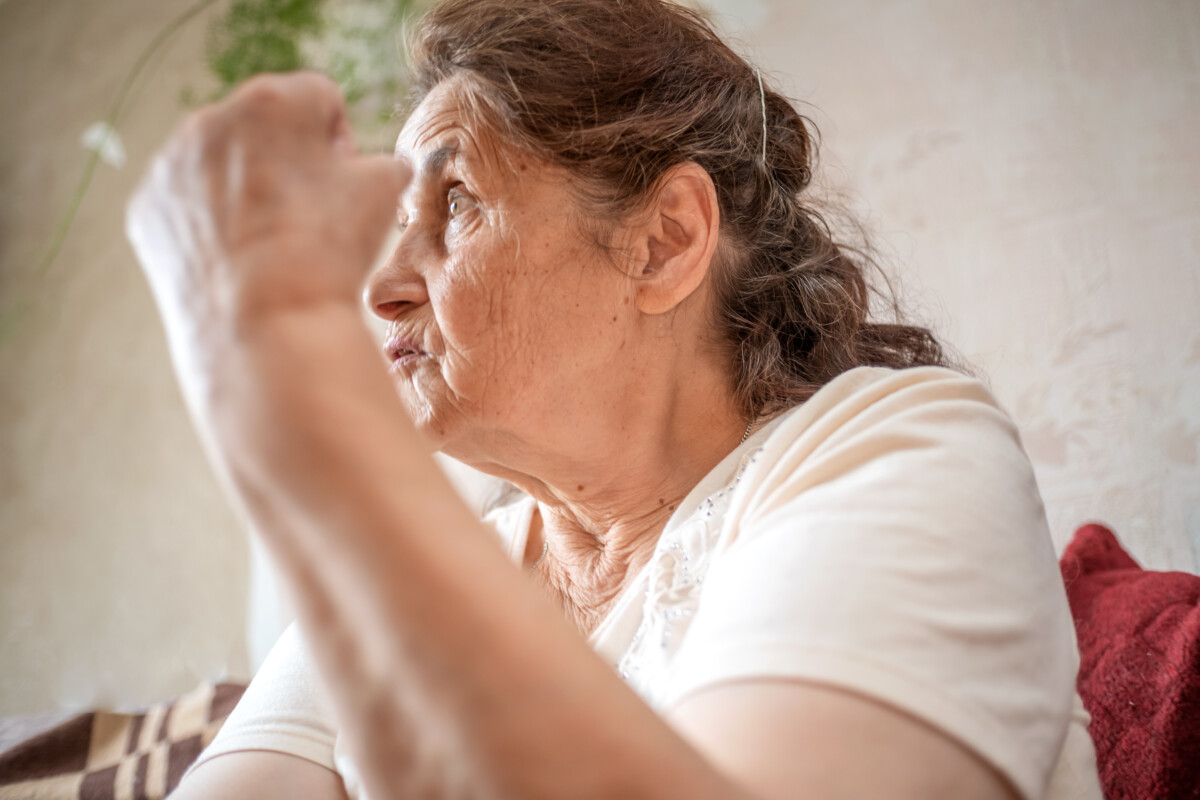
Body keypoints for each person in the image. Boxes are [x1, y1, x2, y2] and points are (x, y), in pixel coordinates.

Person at [128, 0, 1103, 798]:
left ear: (665, 240)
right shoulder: (412, 566)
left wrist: (281, 404)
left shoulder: (906, 451)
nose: (378, 283)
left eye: (455, 201)